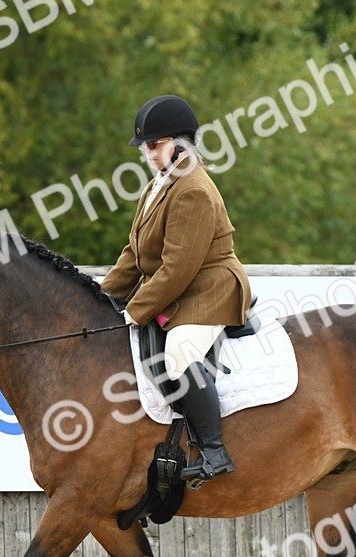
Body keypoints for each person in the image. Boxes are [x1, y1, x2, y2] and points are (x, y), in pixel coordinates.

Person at [102, 95, 252, 484]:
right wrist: (102, 298)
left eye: (156, 145)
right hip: (184, 288)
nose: (150, 155)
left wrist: (132, 312)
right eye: (147, 148)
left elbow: (176, 270)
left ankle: (215, 451)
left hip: (210, 290)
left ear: (181, 142)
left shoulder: (193, 190)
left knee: (180, 354)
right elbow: (134, 255)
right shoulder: (158, 186)